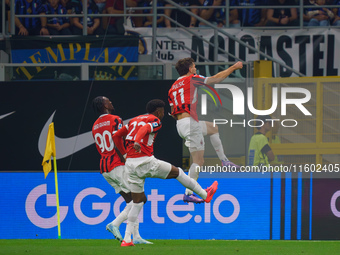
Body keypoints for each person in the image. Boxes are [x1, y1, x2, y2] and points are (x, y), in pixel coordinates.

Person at [113, 99, 218, 246]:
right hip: (146, 162)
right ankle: (205, 195)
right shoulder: (155, 120)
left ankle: (127, 239)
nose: (163, 114)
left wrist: (124, 155)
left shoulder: (133, 120)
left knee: (136, 203)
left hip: (130, 165)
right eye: (162, 111)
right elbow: (145, 130)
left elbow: (116, 136)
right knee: (178, 173)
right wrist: (137, 141)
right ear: (158, 111)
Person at [168, 58, 242, 203]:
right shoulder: (192, 79)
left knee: (213, 128)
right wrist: (233, 67)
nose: (195, 68)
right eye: (194, 66)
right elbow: (216, 79)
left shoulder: (172, 87)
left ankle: (224, 161)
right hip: (190, 124)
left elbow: (172, 112)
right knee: (198, 161)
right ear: (190, 69)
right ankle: (188, 193)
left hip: (181, 124)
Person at [91, 96, 152, 245]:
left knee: (131, 201)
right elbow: (118, 140)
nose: (111, 102)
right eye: (108, 101)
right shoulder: (115, 119)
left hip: (105, 168)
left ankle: (136, 237)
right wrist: (126, 158)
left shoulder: (94, 126)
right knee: (140, 199)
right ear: (103, 105)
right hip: (118, 164)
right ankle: (115, 224)